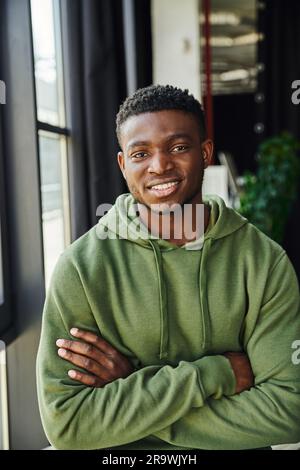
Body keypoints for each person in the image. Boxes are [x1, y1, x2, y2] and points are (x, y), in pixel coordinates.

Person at [36, 84, 300, 450]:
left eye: (178, 148)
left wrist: (132, 395)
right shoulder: (81, 267)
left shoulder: (263, 262)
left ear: (205, 153)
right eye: (140, 153)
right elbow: (66, 424)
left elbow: (289, 409)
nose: (160, 166)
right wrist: (214, 374)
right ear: (123, 164)